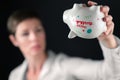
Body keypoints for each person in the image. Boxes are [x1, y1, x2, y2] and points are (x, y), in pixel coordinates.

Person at [8, 1, 120, 80]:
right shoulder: (15, 76)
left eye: (38, 30)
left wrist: (108, 40)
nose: (34, 38)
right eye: (25, 34)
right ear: (14, 40)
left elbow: (112, 75)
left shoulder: (65, 66)